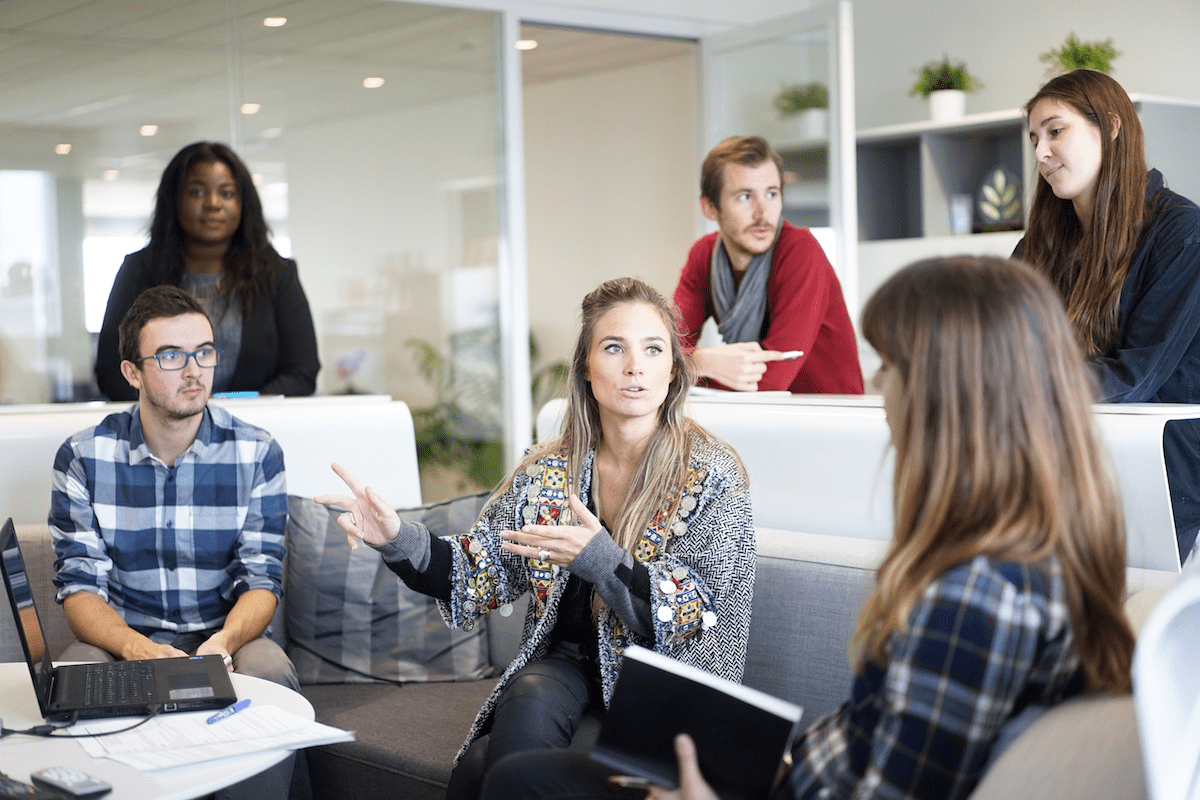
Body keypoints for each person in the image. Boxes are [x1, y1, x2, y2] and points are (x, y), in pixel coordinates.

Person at [481, 256, 1135, 800]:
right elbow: (884, 742)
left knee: (521, 783)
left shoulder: (976, 597)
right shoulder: (1027, 557)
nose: (878, 385)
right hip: (790, 775)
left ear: (950, 393)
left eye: (893, 366)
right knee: (515, 770)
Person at [315, 277, 756, 799]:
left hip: (660, 688)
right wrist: (394, 537)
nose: (635, 366)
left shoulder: (711, 474)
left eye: (653, 349)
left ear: (672, 371)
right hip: (565, 668)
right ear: (586, 370)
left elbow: (705, 619)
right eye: (614, 348)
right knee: (527, 695)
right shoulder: (550, 470)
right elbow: (476, 570)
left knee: (484, 766)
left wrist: (600, 560)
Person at [51, 286, 300, 798]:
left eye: (204, 352)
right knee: (71, 675)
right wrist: (135, 648)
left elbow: (262, 579)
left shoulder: (257, 453)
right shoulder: (83, 456)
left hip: (226, 636)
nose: (194, 370)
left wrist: (223, 645)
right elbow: (79, 588)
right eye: (170, 355)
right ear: (132, 372)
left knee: (271, 671)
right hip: (122, 638)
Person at [1015, 68, 1200, 562]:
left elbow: (1136, 374)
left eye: (1056, 131)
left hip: (1162, 470)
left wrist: (1017, 387)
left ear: (1112, 128)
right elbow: (1002, 345)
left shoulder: (1182, 233)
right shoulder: (1038, 247)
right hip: (1066, 455)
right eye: (1035, 138)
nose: (1040, 153)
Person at [95, 141, 320, 401]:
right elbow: (112, 373)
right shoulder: (138, 271)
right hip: (163, 434)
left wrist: (230, 407)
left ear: (244, 203)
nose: (213, 204)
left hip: (255, 429)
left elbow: (302, 373)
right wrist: (181, 407)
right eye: (197, 192)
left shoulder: (277, 274)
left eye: (226, 193)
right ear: (174, 199)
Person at [672, 135, 862, 394]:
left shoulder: (800, 251)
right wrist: (702, 361)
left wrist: (686, 367)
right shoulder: (703, 255)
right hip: (758, 416)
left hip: (828, 418)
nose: (762, 212)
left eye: (771, 194)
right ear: (710, 208)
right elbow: (665, 350)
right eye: (744, 197)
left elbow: (771, 379)